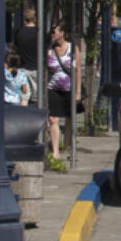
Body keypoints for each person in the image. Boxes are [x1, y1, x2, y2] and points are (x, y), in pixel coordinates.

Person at [45, 24, 78, 160]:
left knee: (69, 119)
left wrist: (78, 92)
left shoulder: (72, 48)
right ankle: (55, 152)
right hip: (53, 88)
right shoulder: (49, 50)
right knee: (53, 119)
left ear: (62, 33)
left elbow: (76, 71)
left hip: (69, 88)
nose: (52, 35)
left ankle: (70, 148)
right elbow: (46, 70)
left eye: (54, 32)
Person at [14, 7, 39, 77]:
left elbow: (16, 48)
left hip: (23, 68)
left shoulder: (19, 32)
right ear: (35, 18)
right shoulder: (38, 33)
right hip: (36, 68)